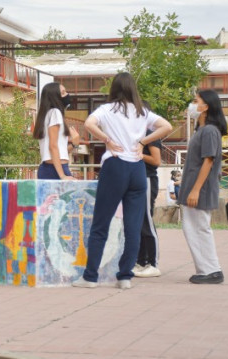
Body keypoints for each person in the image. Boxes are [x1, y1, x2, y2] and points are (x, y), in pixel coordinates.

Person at [73, 72, 172, 289]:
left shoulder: (107, 109)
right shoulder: (142, 111)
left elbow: (89, 124)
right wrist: (143, 142)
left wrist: (107, 139)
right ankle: (125, 276)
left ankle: (90, 277)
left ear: (114, 89)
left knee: (101, 224)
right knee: (133, 226)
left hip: (115, 165)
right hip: (137, 169)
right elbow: (167, 126)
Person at [178, 89, 228, 285]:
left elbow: (208, 161)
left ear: (205, 106)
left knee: (199, 228)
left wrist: (196, 189)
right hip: (193, 187)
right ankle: (205, 269)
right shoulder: (202, 130)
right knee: (194, 228)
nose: (192, 105)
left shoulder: (209, 131)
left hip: (200, 188)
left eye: (195, 101)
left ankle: (211, 269)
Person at [32, 82, 80, 180]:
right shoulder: (55, 113)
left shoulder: (46, 115)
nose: (67, 95)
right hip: (57, 169)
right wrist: (62, 175)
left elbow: (58, 151)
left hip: (47, 168)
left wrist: (74, 144)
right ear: (55, 97)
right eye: (63, 93)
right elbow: (53, 146)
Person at [134, 129, 162, 278]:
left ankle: (153, 263)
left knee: (146, 221)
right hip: (135, 178)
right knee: (137, 223)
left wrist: (139, 154)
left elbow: (156, 161)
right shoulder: (133, 131)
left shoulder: (149, 133)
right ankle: (140, 261)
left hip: (147, 178)